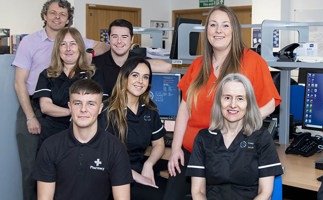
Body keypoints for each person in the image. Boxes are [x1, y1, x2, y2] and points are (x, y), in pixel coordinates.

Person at [165, 4, 281, 199]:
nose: (219, 31)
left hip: (231, 155)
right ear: (207, 30)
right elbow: (184, 109)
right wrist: (176, 148)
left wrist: (241, 124)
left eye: (225, 25)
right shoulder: (198, 64)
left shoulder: (252, 61)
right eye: (213, 25)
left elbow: (270, 102)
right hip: (192, 152)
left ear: (234, 30)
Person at [12, 1, 109, 199]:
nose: (57, 17)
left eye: (62, 14)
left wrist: (89, 54)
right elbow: (20, 83)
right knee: (35, 168)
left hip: (75, 120)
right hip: (33, 106)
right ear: (45, 15)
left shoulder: (79, 47)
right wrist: (31, 116)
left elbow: (104, 46)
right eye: (53, 12)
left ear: (67, 18)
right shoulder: (30, 44)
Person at [186, 73, 283, 199]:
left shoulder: (261, 138)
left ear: (248, 103)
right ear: (219, 101)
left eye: (240, 98)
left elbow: (265, 193)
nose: (233, 104)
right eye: (227, 97)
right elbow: (198, 191)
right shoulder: (203, 138)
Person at [33, 79, 132, 200]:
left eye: (91, 104)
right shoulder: (50, 146)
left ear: (100, 108)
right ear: (70, 106)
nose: (83, 109)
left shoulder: (115, 148)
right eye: (77, 103)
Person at [102, 56, 167, 199]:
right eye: (135, 75)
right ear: (124, 77)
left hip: (137, 172)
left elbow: (159, 144)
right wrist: (137, 176)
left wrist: (149, 164)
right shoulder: (107, 110)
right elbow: (104, 156)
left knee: (170, 192)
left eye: (145, 77)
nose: (140, 81)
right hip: (111, 176)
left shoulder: (150, 109)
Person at [33, 27, 102, 147]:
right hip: (52, 134)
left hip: (85, 134)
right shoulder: (47, 75)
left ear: (80, 47)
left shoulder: (93, 74)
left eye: (73, 44)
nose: (68, 49)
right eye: (63, 44)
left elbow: (101, 104)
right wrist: (74, 112)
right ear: (57, 49)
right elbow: (45, 107)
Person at [92, 19, 172, 97]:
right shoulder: (96, 64)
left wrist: (134, 64)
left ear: (132, 39)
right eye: (115, 36)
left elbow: (167, 67)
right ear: (109, 38)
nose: (119, 41)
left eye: (124, 37)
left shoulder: (137, 60)